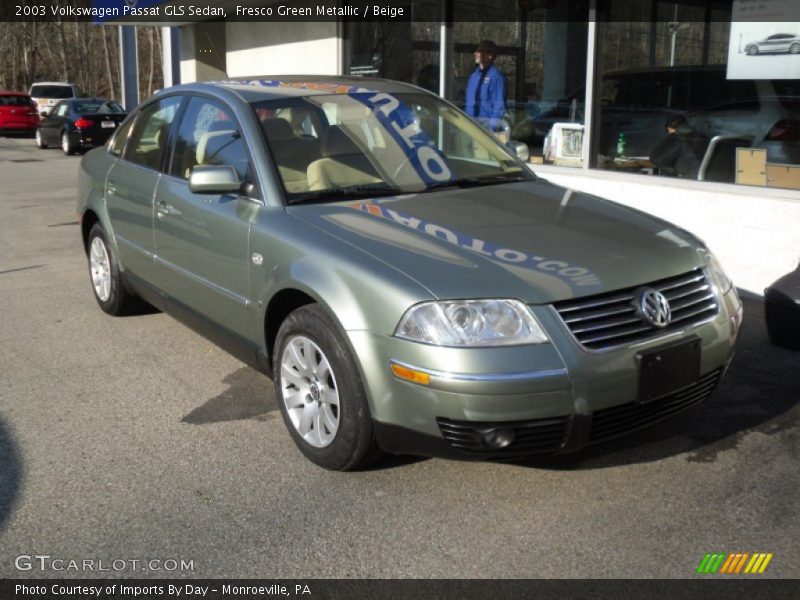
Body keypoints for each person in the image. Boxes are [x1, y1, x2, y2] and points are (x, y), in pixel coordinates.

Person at [465, 40, 507, 134]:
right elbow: (469, 104)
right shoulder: (474, 76)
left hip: (485, 130)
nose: (476, 53)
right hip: (469, 127)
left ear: (490, 55)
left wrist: (490, 129)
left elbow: (499, 107)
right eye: (476, 51)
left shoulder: (496, 77)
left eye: (480, 51)